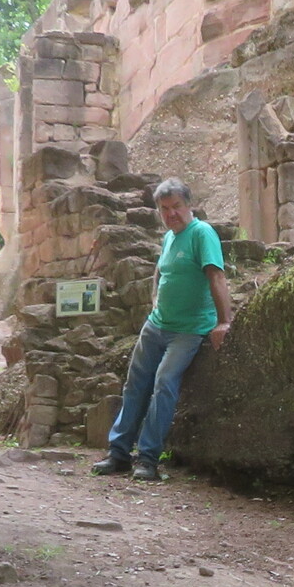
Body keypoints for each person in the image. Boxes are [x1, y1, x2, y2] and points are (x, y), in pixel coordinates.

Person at [96, 179, 232, 482]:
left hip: (189, 330)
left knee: (164, 383)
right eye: (164, 209)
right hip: (157, 325)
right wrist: (154, 299)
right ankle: (118, 453)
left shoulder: (202, 233)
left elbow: (216, 276)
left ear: (189, 205)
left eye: (176, 207)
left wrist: (224, 322)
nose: (171, 214)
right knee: (134, 384)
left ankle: (148, 459)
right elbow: (160, 270)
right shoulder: (170, 236)